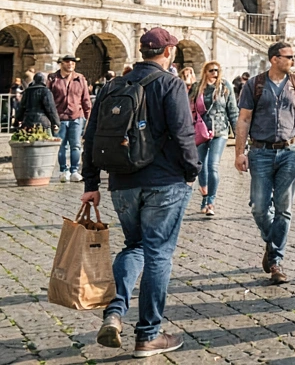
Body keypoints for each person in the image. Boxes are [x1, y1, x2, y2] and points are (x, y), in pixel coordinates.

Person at [82, 27, 200, 357]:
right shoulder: (170, 83)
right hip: (164, 181)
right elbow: (183, 134)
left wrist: (91, 184)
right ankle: (148, 334)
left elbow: (91, 137)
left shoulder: (112, 85)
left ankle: (115, 313)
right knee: (158, 253)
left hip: (122, 181)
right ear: (168, 53)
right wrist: (193, 172)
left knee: (134, 246)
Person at [235, 42, 295, 285]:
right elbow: (244, 118)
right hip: (260, 151)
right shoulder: (255, 84)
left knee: (284, 208)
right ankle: (272, 245)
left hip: (289, 151)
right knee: (259, 207)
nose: (293, 60)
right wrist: (240, 152)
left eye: (294, 56)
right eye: (289, 56)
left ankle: (275, 260)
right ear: (274, 59)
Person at [191, 61, 237, 216]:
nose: (215, 73)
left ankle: (211, 202)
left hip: (220, 131)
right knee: (200, 165)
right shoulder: (197, 88)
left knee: (213, 165)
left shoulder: (225, 87)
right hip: (201, 130)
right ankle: (204, 194)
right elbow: (188, 108)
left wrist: (238, 136)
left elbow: (233, 111)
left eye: (217, 70)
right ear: (205, 72)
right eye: (211, 70)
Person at [49, 54, 93, 183]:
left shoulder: (80, 79)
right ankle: (63, 170)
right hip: (59, 117)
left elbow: (86, 99)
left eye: (73, 62)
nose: (70, 64)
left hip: (76, 117)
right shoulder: (53, 78)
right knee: (61, 145)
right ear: (61, 63)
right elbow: (49, 99)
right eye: (67, 62)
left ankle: (74, 170)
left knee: (76, 145)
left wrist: (88, 117)